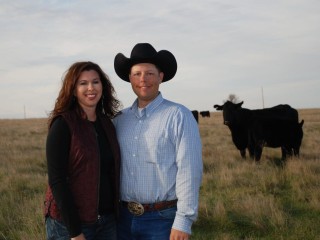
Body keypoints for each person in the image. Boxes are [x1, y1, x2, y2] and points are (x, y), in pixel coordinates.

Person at [113, 43, 203, 240]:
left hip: (163, 221)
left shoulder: (179, 116)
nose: (143, 79)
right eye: (136, 74)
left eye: (149, 73)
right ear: (129, 78)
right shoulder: (119, 119)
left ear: (161, 76)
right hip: (122, 220)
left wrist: (183, 221)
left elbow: (189, 170)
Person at [44, 61, 121, 240]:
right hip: (69, 225)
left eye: (95, 82)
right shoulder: (63, 124)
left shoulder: (107, 124)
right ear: (73, 89)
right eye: (83, 83)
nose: (90, 88)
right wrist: (75, 231)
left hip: (108, 222)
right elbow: (57, 181)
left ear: (103, 85)